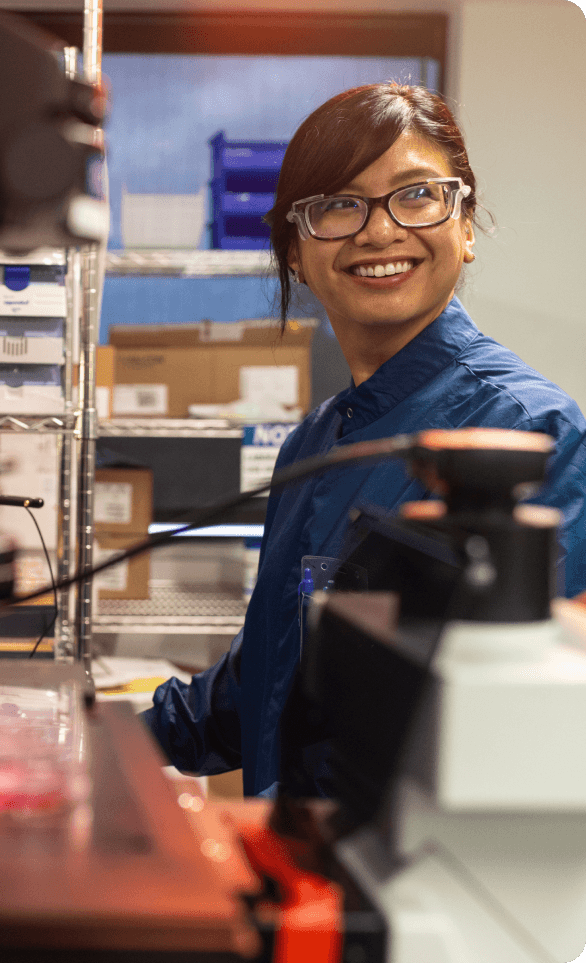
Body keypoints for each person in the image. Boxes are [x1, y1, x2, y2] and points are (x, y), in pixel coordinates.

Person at [141, 83, 586, 798]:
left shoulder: (528, 434)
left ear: (466, 225)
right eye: (339, 206)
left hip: (419, 878)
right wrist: (102, 734)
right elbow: (269, 676)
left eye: (416, 195)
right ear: (294, 251)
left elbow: (500, 727)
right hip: (304, 869)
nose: (379, 231)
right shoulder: (315, 443)